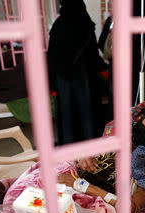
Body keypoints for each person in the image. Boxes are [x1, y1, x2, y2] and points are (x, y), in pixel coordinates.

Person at [47, 0, 107, 145]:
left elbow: (52, 57)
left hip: (65, 82)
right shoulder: (86, 25)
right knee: (88, 115)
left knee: (68, 118)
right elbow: (93, 56)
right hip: (86, 81)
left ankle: (69, 153)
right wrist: (105, 68)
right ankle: (89, 151)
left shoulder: (58, 26)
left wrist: (53, 82)